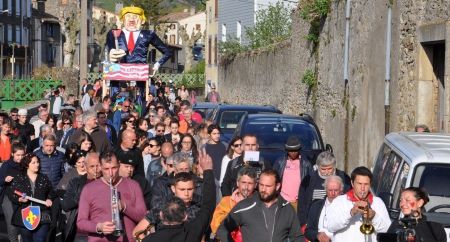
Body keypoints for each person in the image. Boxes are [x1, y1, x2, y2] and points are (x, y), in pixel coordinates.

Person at [134, 150, 215, 242]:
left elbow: (208, 207)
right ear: (173, 188)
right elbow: (137, 232)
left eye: (190, 189)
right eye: (182, 189)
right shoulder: (163, 207)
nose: (186, 193)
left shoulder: (198, 207)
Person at [216, 169, 304, 242]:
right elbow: (222, 229)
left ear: (277, 186)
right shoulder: (244, 206)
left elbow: (297, 237)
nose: (263, 189)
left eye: (268, 186)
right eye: (261, 185)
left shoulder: (287, 209)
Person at [77, 152, 146, 242]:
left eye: (114, 168)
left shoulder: (133, 185)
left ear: (119, 165)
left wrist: (125, 207)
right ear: (100, 167)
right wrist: (98, 227)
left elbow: (144, 216)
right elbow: (81, 222)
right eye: (106, 169)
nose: (111, 173)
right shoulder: (88, 189)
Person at [324, 166, 391, 242]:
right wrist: (351, 213)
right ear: (352, 183)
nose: (362, 188)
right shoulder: (339, 201)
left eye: (366, 184)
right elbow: (330, 226)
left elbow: (387, 230)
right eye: (359, 184)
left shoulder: (378, 202)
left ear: (370, 184)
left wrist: (374, 217)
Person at [106, 6, 172, 76]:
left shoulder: (148, 34)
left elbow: (167, 52)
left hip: (140, 75)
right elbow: (106, 51)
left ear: (142, 21)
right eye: (128, 16)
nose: (131, 19)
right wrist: (109, 56)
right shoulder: (113, 33)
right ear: (122, 20)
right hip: (118, 74)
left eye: (135, 16)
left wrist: (157, 65)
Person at [297, 151, 351, 226]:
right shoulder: (309, 179)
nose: (326, 172)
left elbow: (349, 197)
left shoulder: (344, 177)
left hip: (338, 219)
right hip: (314, 220)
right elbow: (302, 204)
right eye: (323, 169)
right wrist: (303, 223)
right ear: (318, 166)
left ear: (334, 166)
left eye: (329, 169)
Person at [9, 153, 54, 242]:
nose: (37, 164)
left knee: (40, 239)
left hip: (42, 214)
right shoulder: (19, 178)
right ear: (27, 165)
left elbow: (51, 191)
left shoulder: (43, 178)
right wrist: (19, 199)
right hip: (24, 215)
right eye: (33, 163)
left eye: (37, 162)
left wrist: (49, 198)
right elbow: (11, 194)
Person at [61, 152, 102, 242]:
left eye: (98, 166)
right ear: (86, 166)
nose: (96, 169)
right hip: (81, 234)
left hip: (101, 232)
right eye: (92, 166)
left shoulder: (107, 182)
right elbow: (65, 205)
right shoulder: (76, 182)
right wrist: (83, 195)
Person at [211, 167, 257, 239]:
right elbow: (215, 226)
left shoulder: (259, 203)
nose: (246, 187)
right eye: (243, 182)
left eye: (250, 183)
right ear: (237, 183)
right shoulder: (226, 202)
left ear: (255, 185)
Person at [273, 135, 312, 208]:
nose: (293, 152)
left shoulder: (306, 164)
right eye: (290, 150)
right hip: (283, 200)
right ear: (287, 150)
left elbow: (309, 184)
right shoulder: (280, 162)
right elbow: (273, 180)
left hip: (298, 202)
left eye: (295, 150)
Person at [304, 175, 344, 242]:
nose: (333, 193)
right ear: (325, 189)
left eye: (336, 190)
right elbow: (308, 231)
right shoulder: (316, 206)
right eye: (330, 190)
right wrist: (317, 235)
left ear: (341, 190)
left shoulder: (347, 207)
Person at [0, 143, 25, 242]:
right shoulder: (7, 165)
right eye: (18, 155)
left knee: (24, 223)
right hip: (8, 196)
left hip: (23, 196)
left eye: (22, 155)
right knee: (12, 224)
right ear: (12, 154)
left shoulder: (25, 165)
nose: (20, 157)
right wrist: (5, 179)